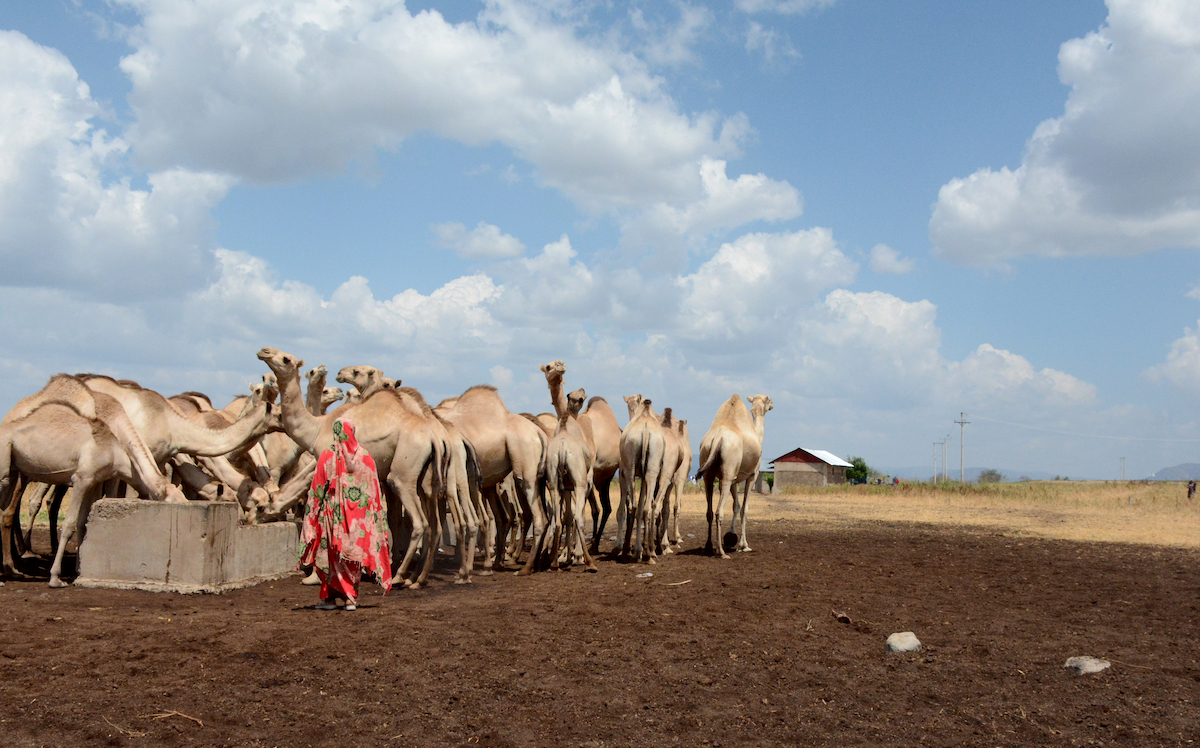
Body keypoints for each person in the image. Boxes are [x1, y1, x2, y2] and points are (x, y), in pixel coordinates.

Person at [299, 418, 391, 611]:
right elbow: (374, 491)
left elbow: (317, 488)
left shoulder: (328, 455)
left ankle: (330, 599)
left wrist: (311, 516)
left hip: (332, 517)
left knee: (330, 556)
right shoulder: (366, 457)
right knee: (352, 557)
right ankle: (350, 598)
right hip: (358, 520)